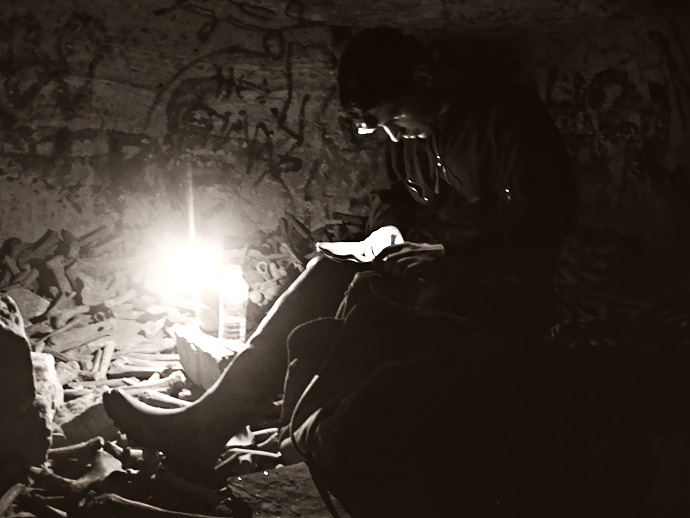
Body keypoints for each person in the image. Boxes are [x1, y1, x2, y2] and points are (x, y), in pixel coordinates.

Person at [103, 27, 577, 511]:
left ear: (424, 76)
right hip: (422, 264)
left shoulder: (507, 117)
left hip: (491, 280)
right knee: (324, 273)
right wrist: (385, 231)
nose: (393, 134)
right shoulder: (409, 130)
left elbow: (542, 226)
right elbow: (394, 195)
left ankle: (305, 446)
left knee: (367, 303)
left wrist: (449, 258)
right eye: (380, 125)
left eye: (393, 118)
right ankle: (206, 425)